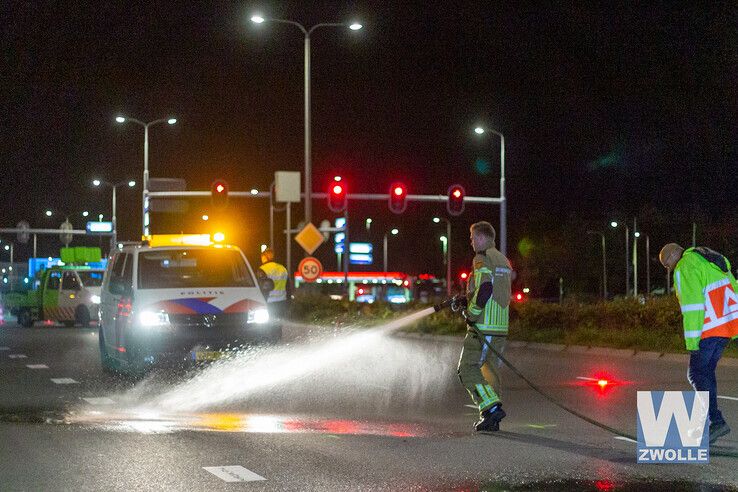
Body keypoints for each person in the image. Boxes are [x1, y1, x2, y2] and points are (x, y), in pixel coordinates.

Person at [659, 243, 738, 444]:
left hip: (709, 328)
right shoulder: (709, 259)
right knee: (706, 371)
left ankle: (716, 421)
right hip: (725, 326)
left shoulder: (685, 266)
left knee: (695, 373)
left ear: (672, 256)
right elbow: (733, 286)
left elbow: (693, 306)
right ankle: (711, 421)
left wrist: (693, 341)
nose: (669, 270)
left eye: (666, 265)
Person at [458, 221, 512, 432]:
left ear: (480, 238)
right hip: (500, 327)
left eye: (472, 238)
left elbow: (486, 289)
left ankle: (490, 407)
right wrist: (467, 298)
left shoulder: (482, 257)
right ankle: (492, 419)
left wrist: (471, 314)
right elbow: (490, 289)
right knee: (490, 371)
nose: (471, 242)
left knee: (467, 369)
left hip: (484, 326)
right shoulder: (503, 260)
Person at [258, 248, 288, 320]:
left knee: (268, 325)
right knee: (279, 324)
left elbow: (260, 287)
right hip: (282, 301)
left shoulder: (262, 269)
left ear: (265, 257)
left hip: (268, 302)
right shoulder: (282, 268)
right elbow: (288, 286)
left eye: (262, 257)